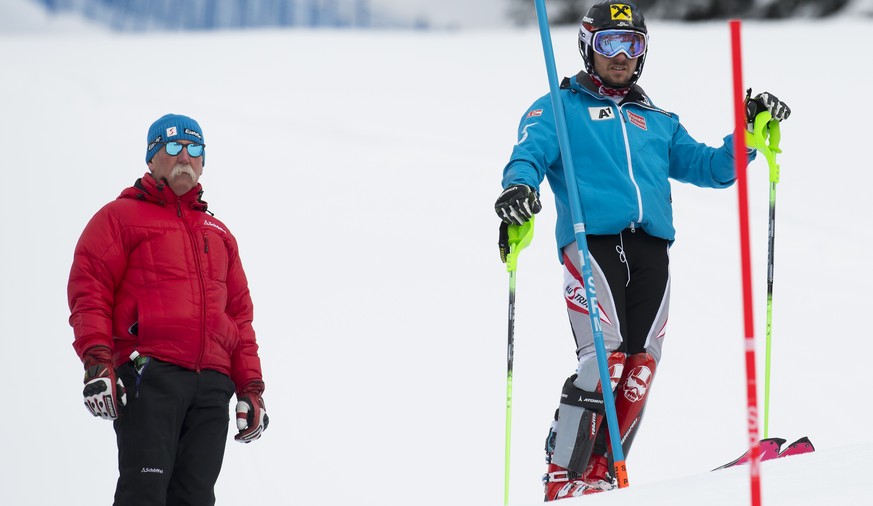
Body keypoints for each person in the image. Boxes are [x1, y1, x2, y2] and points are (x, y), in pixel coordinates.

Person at [494, 2, 789, 500]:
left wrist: (748, 134)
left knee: (640, 364)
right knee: (603, 358)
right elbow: (527, 155)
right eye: (611, 44)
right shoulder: (560, 108)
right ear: (589, 47)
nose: (622, 57)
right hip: (591, 242)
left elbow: (712, 168)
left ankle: (603, 472)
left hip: (651, 248)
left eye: (633, 46)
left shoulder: (656, 119)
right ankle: (565, 473)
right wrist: (518, 189)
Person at [68, 113, 269, 505]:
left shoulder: (220, 233)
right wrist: (97, 362)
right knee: (144, 494)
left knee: (195, 498)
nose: (185, 158)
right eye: (174, 147)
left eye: (195, 149)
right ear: (151, 157)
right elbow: (89, 288)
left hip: (212, 388)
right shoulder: (119, 217)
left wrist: (251, 389)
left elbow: (240, 319)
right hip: (151, 378)